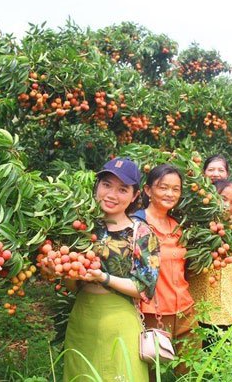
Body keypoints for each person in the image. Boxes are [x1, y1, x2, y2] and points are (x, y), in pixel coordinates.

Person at [62, 157, 160, 382]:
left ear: (135, 196)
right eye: (106, 185)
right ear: (97, 186)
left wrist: (103, 277)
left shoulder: (142, 233)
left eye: (122, 189)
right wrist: (63, 272)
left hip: (119, 321)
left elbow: (145, 288)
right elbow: (71, 285)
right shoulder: (81, 227)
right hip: (82, 319)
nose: (111, 195)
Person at [133, 164, 195, 375]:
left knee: (189, 371)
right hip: (154, 313)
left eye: (175, 189)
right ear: (148, 190)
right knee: (152, 373)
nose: (170, 193)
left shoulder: (177, 227)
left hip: (186, 310)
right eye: (163, 187)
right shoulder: (137, 225)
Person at [188, 179, 232, 349]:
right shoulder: (196, 232)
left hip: (228, 317)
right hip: (198, 319)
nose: (227, 206)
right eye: (222, 198)